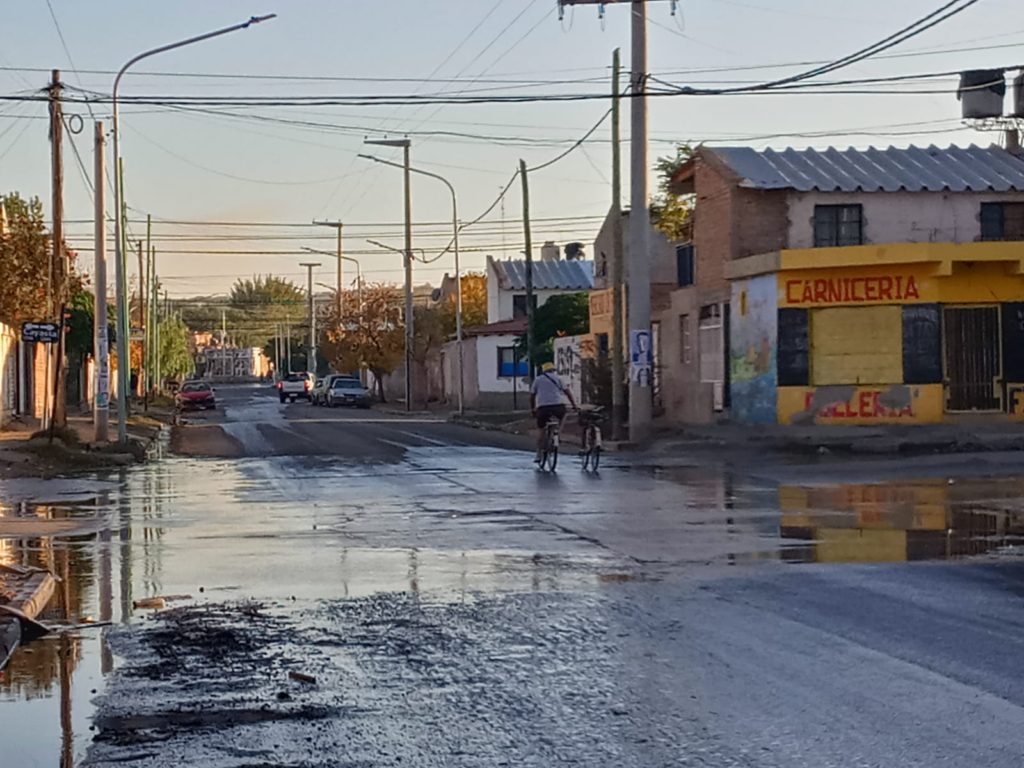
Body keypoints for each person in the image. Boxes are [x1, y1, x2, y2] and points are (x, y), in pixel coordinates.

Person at [530, 362, 577, 463]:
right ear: (553, 370)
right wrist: (574, 405)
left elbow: (532, 396)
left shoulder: (537, 380)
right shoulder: (558, 379)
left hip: (543, 408)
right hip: (558, 406)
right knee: (563, 416)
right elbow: (567, 392)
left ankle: (538, 453)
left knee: (541, 429)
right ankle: (558, 434)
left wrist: (533, 409)